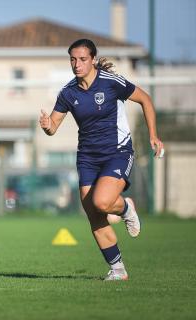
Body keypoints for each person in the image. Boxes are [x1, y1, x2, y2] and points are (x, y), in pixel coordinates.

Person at [39, 39, 164, 281]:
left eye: (83, 59)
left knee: (102, 201)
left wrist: (153, 135)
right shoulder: (67, 92)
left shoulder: (111, 83)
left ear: (93, 59)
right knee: (93, 214)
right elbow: (53, 127)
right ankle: (117, 269)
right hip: (87, 158)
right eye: (73, 59)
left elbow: (146, 99)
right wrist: (46, 126)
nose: (77, 64)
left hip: (117, 152)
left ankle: (126, 207)